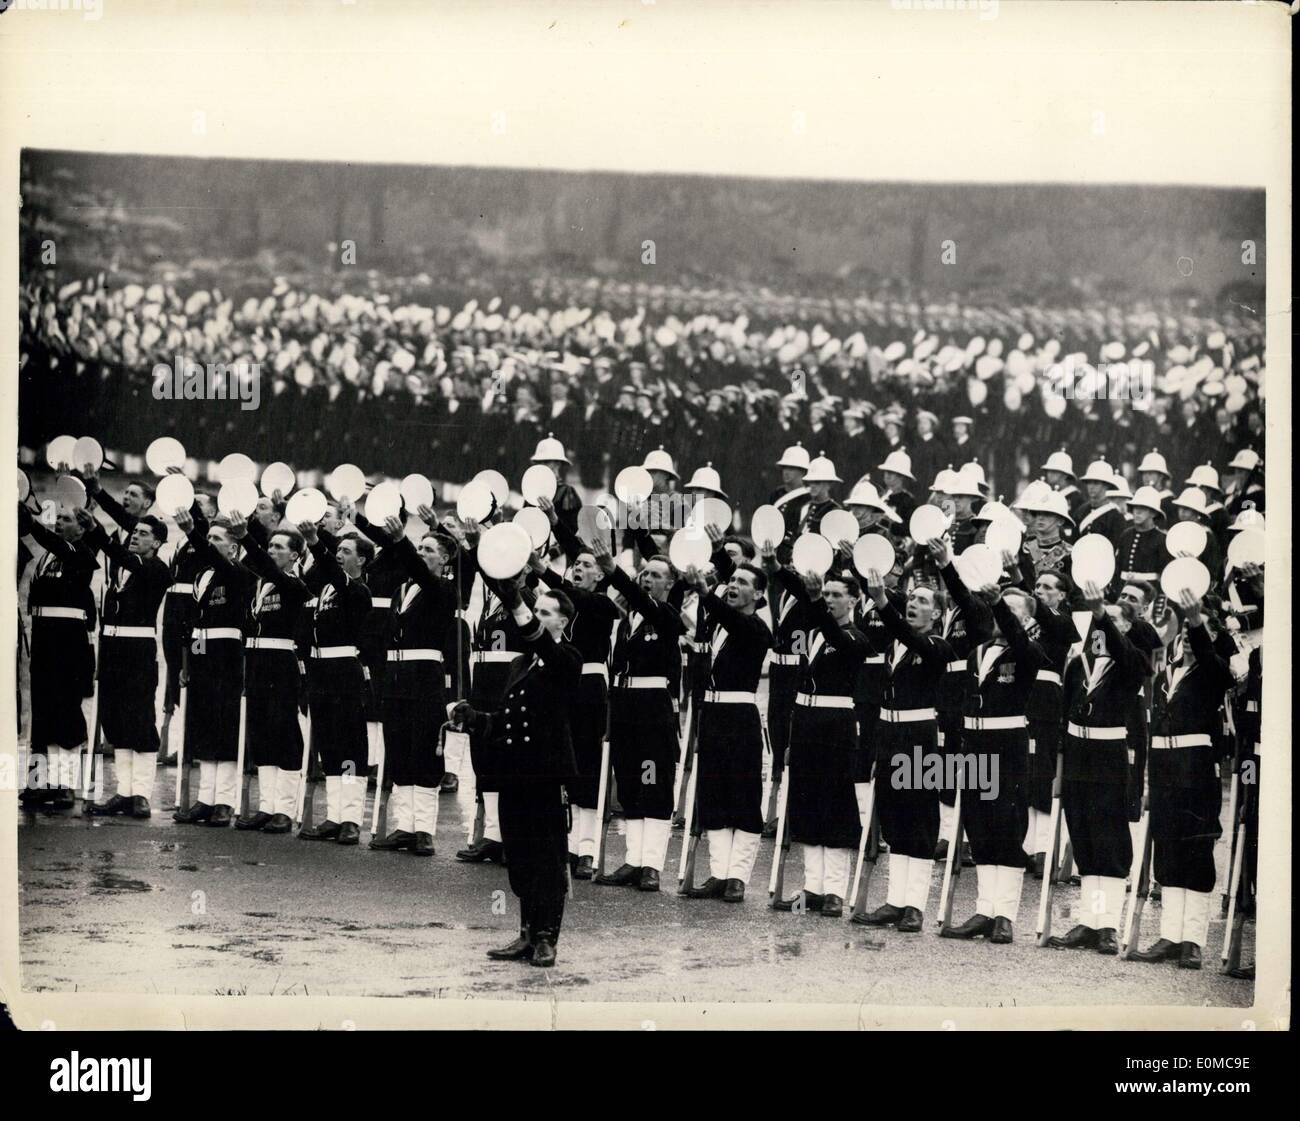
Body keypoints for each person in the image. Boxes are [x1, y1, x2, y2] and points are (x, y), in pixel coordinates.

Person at [457, 582, 582, 968]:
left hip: (545, 774)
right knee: (521, 855)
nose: (538, 619)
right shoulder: (519, 664)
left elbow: (543, 643)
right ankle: (527, 933)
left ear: (562, 622)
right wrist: (474, 720)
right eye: (536, 611)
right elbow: (507, 722)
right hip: (515, 773)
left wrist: (518, 604)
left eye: (546, 613)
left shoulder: (568, 658)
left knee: (548, 857)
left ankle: (547, 938)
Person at [1131, 589, 1233, 970]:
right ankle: (1170, 935)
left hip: (1196, 768)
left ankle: (1193, 939)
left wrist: (1195, 621)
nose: (1190, 636)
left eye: (1199, 629)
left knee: (1197, 852)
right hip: (1163, 767)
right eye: (1188, 629)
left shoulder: (1212, 671)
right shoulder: (1167, 672)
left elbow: (1211, 660)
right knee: (1168, 850)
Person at [1048, 590, 1151, 955]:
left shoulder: (1132, 662)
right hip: (1079, 754)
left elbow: (1126, 655)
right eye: (1097, 621)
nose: (1100, 627)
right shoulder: (1079, 664)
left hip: (1109, 755)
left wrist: (1102, 615)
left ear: (1126, 627)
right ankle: (1090, 922)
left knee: (1109, 840)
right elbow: (1063, 714)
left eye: (1111, 621)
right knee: (1086, 839)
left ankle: (1108, 924)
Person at [767, 555, 870, 917]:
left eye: (836, 594)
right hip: (807, 719)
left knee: (835, 803)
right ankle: (813, 887)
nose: (828, 599)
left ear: (853, 600)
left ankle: (835, 891)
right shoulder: (815, 634)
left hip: (836, 723)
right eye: (824, 593)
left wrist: (813, 602)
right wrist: (777, 567)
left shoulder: (856, 636)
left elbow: (835, 635)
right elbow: (816, 617)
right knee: (807, 801)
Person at [942, 583, 1043, 944]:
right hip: (974, 743)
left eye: (1012, 611)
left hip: (1007, 745)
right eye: (1000, 609)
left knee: (1006, 826)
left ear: (1027, 619)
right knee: (979, 826)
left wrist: (999, 602)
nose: (1003, 617)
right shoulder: (977, 652)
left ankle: (1005, 915)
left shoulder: (1029, 652)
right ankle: (985, 909)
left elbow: (1016, 634)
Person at [856, 570, 955, 932]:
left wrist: (883, 601)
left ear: (939, 615)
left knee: (920, 819)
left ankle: (915, 904)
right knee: (894, 818)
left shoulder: (937, 646)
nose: (914, 604)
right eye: (911, 598)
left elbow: (906, 633)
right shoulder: (892, 644)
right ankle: (896, 900)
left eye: (923, 601)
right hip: (888, 732)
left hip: (919, 735)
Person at [364, 511, 465, 855]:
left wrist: (401, 541)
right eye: (419, 548)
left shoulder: (444, 590)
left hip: (424, 679)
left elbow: (421, 571)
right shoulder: (400, 590)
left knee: (424, 750)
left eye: (429, 549)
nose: (421, 554)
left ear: (446, 559)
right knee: (399, 749)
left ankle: (424, 829)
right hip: (395, 678)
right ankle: (404, 826)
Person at [534, 495, 622, 879]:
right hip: (561, 683)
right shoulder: (569, 598)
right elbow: (572, 568)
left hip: (588, 686)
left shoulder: (603, 604)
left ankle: (586, 850)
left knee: (587, 767)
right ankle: (563, 845)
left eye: (586, 567)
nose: (577, 570)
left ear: (600, 575)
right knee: (559, 764)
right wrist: (555, 521)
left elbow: (580, 594)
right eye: (575, 566)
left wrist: (546, 571)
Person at [680, 541, 773, 902]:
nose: (733, 586)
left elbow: (733, 619)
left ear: (759, 594)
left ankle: (738, 876)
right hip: (713, 714)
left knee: (744, 793)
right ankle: (719, 872)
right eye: (731, 580)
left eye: (743, 583)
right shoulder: (717, 626)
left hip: (741, 716)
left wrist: (707, 594)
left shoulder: (757, 626)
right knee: (713, 791)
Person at [593, 533, 684, 892]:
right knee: (629, 782)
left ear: (671, 584)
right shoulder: (628, 620)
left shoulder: (667, 616)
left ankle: (652, 864)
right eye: (645, 573)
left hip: (653, 711)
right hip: (625, 707)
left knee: (654, 784)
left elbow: (639, 600)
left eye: (657, 575)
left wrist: (612, 570)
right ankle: (634, 859)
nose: (648, 579)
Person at [80, 475, 171, 818]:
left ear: (158, 543)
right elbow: (120, 556)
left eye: (143, 534)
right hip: (114, 648)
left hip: (139, 651)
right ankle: (124, 791)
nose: (135, 536)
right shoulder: (123, 566)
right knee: (116, 721)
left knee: (141, 720)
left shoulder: (158, 568)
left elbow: (123, 554)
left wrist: (97, 533)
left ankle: (142, 795)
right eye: (135, 533)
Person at [171, 502, 253, 827]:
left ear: (233, 548)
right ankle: (205, 798)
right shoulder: (201, 576)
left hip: (228, 656)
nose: (210, 544)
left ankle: (224, 801)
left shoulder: (238, 573)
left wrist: (193, 530)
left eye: (217, 539)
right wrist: (187, 662)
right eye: (209, 538)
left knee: (225, 726)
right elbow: (192, 621)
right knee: (203, 725)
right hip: (202, 653)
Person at [228, 515, 309, 834]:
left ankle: (285, 809)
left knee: (284, 732)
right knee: (260, 732)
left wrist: (247, 537)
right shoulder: (259, 584)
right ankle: (267, 806)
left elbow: (271, 569)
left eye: (279, 546)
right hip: (257, 661)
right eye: (270, 545)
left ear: (294, 555)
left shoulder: (295, 584)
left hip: (282, 663)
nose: (272, 550)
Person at [296, 520, 374, 844]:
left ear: (362, 560)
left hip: (344, 668)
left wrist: (316, 541)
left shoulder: (356, 589)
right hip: (320, 669)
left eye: (346, 551)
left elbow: (329, 567)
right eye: (338, 549)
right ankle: (334, 815)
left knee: (349, 744)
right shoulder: (325, 587)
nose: (339, 554)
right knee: (328, 742)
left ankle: (352, 819)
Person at [17, 499, 98, 810]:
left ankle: (66, 785)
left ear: (81, 528)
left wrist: (30, 522)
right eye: (58, 518)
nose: (59, 523)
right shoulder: (46, 558)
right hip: (45, 639)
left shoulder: (82, 553)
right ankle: (39, 782)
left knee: (67, 712)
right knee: (42, 712)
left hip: (69, 642)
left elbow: (51, 539)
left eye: (66, 519)